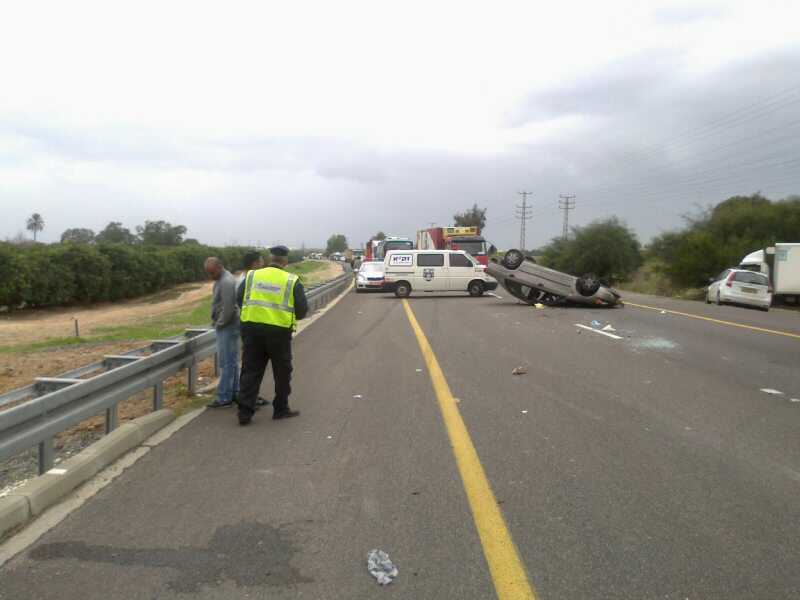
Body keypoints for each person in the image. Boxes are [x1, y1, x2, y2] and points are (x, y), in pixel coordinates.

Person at [237, 245, 309, 425]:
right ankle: (281, 409)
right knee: (282, 373)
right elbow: (301, 312)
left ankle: (244, 413)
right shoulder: (292, 280)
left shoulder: (252, 276)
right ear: (285, 260)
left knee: (250, 372)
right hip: (279, 334)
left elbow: (240, 299)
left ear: (270, 258)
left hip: (252, 331)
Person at [204, 257, 240, 408]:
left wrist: (219, 324)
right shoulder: (222, 279)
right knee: (231, 362)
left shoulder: (226, 282)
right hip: (227, 326)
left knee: (226, 363)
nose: (210, 276)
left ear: (219, 267)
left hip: (227, 326)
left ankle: (224, 397)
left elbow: (228, 308)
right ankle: (234, 392)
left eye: (212, 272)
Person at [236, 250, 269, 408]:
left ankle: (249, 397)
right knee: (251, 367)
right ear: (255, 263)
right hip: (250, 328)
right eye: (261, 261)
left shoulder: (247, 278)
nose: (263, 264)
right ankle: (248, 399)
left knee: (250, 366)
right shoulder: (248, 280)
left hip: (248, 327)